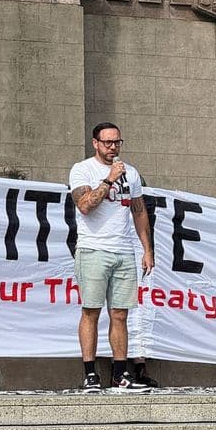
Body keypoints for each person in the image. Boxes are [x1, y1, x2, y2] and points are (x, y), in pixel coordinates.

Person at [69, 123, 154, 393]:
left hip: (124, 250)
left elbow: (139, 211)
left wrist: (147, 249)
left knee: (120, 313)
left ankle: (120, 374)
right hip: (94, 248)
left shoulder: (132, 173)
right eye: (107, 142)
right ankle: (90, 374)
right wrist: (108, 180)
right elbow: (85, 206)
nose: (113, 147)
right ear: (95, 143)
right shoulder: (82, 169)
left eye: (117, 142)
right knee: (91, 311)